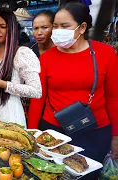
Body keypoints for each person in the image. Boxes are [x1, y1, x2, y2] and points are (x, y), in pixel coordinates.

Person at [28, 2, 118, 179]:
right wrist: (33, 133)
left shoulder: (105, 54)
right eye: (55, 26)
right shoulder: (47, 58)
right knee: (51, 174)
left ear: (82, 27)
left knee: (87, 175)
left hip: (95, 132)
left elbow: (113, 98)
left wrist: (116, 136)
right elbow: (38, 98)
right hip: (53, 133)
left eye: (64, 26)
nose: (57, 31)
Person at [0, 8, 42, 127]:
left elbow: (36, 91)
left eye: (2, 26)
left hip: (8, 113)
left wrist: (3, 84)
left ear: (11, 28)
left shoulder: (21, 53)